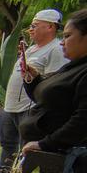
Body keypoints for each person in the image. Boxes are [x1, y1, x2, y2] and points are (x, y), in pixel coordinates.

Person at [0, 9, 68, 173]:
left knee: (27, 146)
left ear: (50, 27)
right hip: (11, 105)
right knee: (7, 142)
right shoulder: (31, 48)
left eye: (35, 25)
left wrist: (36, 75)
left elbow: (56, 80)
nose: (31, 29)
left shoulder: (56, 49)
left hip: (29, 106)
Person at [20, 8, 87, 155]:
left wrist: (45, 144)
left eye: (68, 36)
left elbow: (82, 119)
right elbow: (47, 99)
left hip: (59, 157)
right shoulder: (72, 67)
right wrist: (32, 79)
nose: (62, 43)